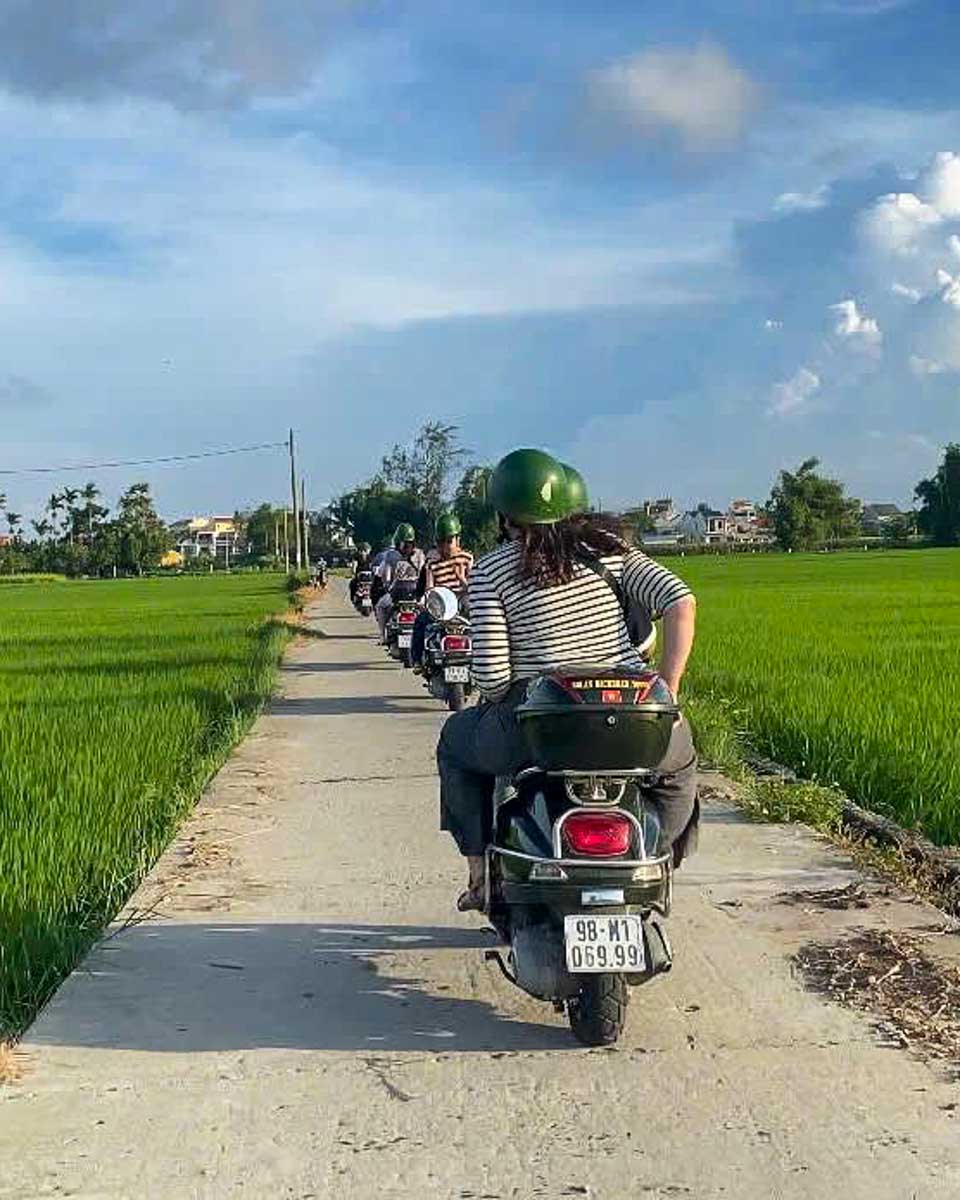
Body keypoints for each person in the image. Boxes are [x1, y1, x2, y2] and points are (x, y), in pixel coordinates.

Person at [436, 449, 698, 911]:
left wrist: (503, 691)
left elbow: (493, 679)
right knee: (680, 765)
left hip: (543, 727)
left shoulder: (491, 569)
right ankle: (655, 860)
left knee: (455, 743)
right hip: (630, 716)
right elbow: (680, 602)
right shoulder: (609, 550)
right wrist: (668, 688)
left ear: (504, 513)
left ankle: (479, 874)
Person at [411, 512, 474, 670]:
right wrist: (424, 602)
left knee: (478, 617)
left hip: (463, 602)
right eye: (440, 542)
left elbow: (474, 587)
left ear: (458, 539)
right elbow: (430, 589)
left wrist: (461, 579)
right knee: (420, 621)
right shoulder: (432, 564)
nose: (445, 547)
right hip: (441, 605)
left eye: (449, 541)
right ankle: (417, 660)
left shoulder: (467, 559)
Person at [374, 523, 426, 640]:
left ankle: (383, 636)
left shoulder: (391, 555)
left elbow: (386, 578)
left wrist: (386, 586)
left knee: (380, 607)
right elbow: (424, 573)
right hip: (416, 595)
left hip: (396, 595)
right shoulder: (420, 554)